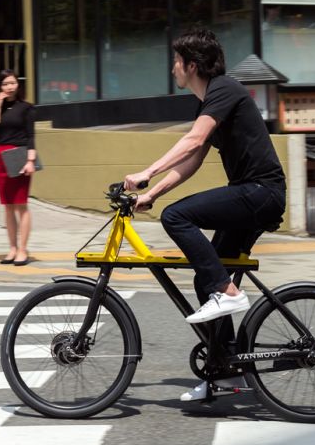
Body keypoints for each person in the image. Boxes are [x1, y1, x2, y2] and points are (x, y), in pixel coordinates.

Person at [122, 27, 286, 401]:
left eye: (176, 62)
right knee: (203, 280)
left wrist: (147, 173)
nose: (172, 68)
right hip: (251, 196)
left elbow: (193, 141)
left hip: (260, 193)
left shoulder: (224, 89)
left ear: (191, 65)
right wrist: (153, 194)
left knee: (177, 217)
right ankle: (227, 373)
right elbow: (194, 160)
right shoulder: (210, 101)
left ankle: (228, 291)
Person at [0, 69, 37, 267]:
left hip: (19, 154)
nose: (9, 87)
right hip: (1, 155)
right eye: (5, 84)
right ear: (0, 87)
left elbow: (31, 135)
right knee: (7, 205)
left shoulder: (26, 108)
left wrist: (30, 160)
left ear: (18, 85)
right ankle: (12, 248)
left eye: (12, 83)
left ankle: (23, 250)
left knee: (21, 205)